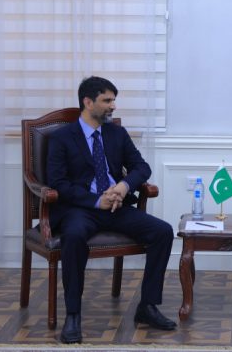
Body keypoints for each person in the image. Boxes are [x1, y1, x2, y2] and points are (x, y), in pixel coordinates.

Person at [46, 76, 176, 344]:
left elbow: (141, 167)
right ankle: (73, 315)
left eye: (114, 100)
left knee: (162, 232)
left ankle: (147, 306)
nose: (113, 106)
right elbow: (58, 183)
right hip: (80, 209)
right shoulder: (61, 138)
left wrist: (123, 187)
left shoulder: (117, 133)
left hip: (116, 206)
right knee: (73, 237)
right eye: (107, 100)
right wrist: (96, 201)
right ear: (88, 102)